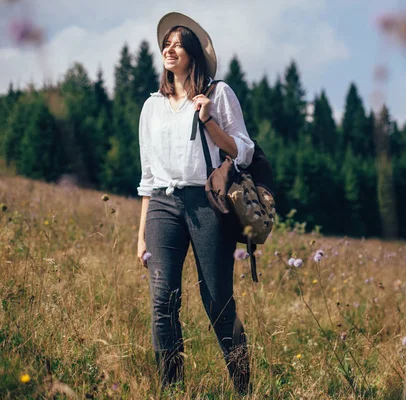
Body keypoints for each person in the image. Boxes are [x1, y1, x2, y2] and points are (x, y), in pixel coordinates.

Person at [136, 11, 254, 395]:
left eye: (178, 46)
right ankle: (172, 389)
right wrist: (141, 236)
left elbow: (243, 151)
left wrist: (208, 121)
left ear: (193, 55)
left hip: (206, 203)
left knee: (217, 301)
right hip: (162, 207)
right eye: (166, 46)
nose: (170, 51)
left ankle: (243, 387)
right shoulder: (151, 106)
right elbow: (148, 179)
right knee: (161, 302)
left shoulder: (218, 94)